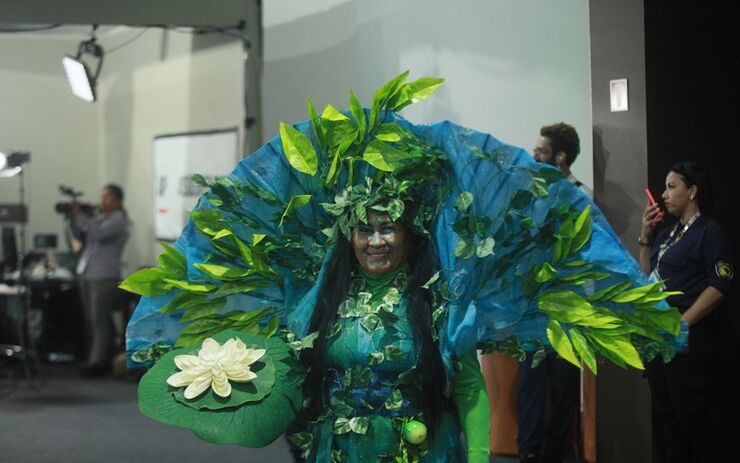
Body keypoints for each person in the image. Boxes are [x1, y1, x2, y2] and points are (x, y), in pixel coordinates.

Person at [122, 74, 685, 463]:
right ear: (349, 232)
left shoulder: (440, 299)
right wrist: (236, 402)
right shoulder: (318, 299)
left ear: (409, 230)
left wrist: (482, 456)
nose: (375, 240)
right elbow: (292, 379)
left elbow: (468, 391)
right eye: (364, 228)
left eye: (387, 226)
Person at [638, 161, 734, 463]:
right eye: (664, 188)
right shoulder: (667, 235)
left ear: (692, 191)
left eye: (671, 186)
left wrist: (681, 325)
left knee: (693, 421)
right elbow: (646, 282)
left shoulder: (709, 232)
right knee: (668, 423)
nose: (664, 195)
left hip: (688, 342)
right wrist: (645, 236)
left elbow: (719, 286)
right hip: (659, 341)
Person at [513, 123, 588, 463]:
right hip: (532, 306)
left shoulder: (582, 198)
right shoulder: (530, 196)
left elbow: (588, 255)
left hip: (569, 306)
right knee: (530, 382)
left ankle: (559, 449)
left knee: (563, 385)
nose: (534, 155)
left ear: (559, 158)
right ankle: (528, 450)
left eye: (541, 151)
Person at [68, 184, 129, 376]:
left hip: (104, 277)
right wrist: (72, 218)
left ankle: (98, 362)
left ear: (118, 201)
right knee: (92, 320)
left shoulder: (119, 220)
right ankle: (99, 356)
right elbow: (80, 235)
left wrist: (80, 215)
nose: (103, 201)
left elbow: (96, 234)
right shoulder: (100, 218)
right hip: (88, 274)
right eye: (102, 197)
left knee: (99, 321)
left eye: (108, 198)